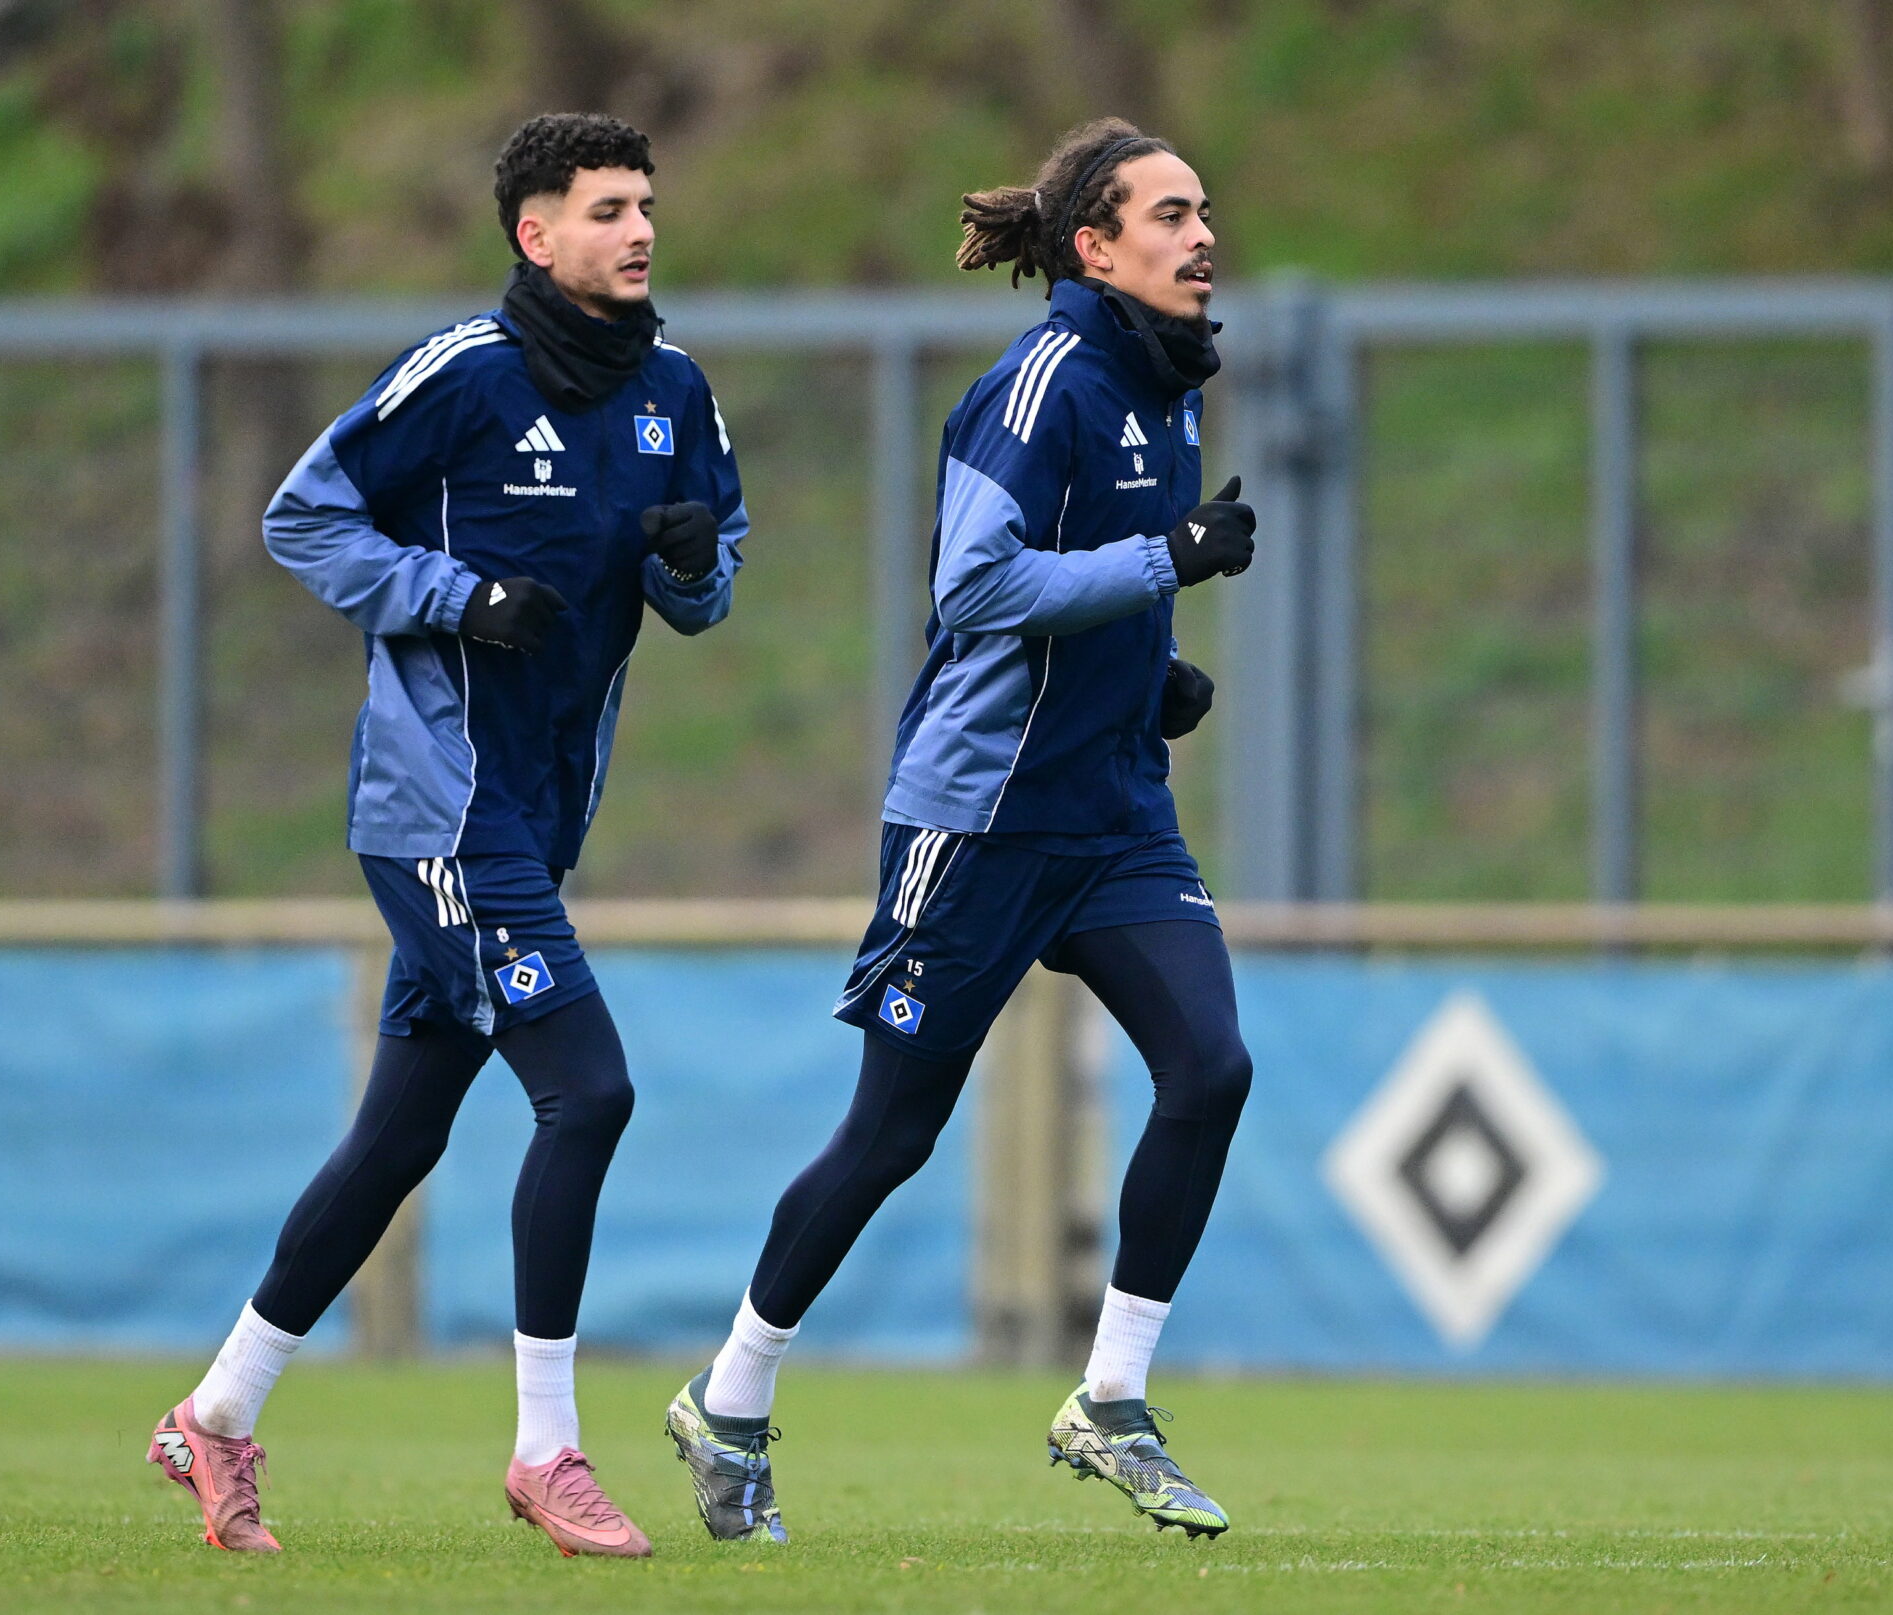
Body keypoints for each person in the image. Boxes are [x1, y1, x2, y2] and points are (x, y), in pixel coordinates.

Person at [145, 112, 748, 1559]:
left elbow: (715, 585)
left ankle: (215, 1419)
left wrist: (691, 568)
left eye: (647, 203)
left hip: (540, 819)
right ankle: (549, 1450)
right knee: (588, 1094)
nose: (641, 229)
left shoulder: (673, 384)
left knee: (395, 1140)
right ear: (535, 235)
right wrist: (451, 595)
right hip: (443, 811)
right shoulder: (465, 375)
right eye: (607, 208)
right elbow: (306, 517)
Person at [665, 117, 1254, 1544]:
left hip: (1112, 813)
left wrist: (1148, 667)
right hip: (981, 817)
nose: (1203, 235)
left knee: (1211, 1067)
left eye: (1204, 212)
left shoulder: (1168, 387)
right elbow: (978, 586)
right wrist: (1163, 562)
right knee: (893, 1134)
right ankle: (728, 1401)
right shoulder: (1039, 382)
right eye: (1171, 216)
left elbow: (1083, 590)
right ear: (1095, 248)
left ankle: (1110, 1398)